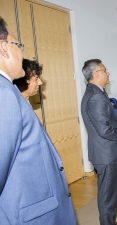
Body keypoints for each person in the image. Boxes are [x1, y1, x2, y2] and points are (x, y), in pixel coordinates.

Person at [0, 17, 76, 225]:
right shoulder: (4, 94)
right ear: (4, 48)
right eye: (18, 45)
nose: (21, 52)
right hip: (30, 214)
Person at [81, 59, 117, 225]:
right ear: (96, 74)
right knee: (107, 195)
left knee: (108, 192)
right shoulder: (96, 97)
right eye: (105, 70)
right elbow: (104, 130)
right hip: (106, 154)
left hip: (105, 152)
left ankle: (109, 221)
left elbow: (104, 124)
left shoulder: (95, 92)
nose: (108, 72)